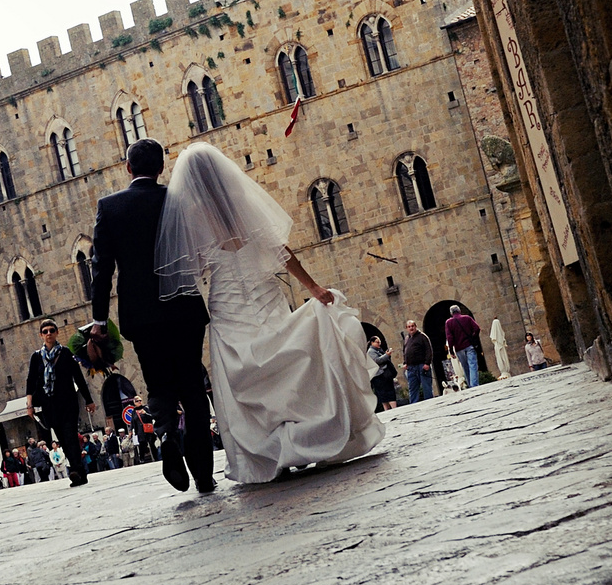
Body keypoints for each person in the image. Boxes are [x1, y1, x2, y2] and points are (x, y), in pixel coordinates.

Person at [148, 141, 386, 484]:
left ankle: (272, 451)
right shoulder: (241, 201)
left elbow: (195, 269)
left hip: (226, 302)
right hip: (264, 292)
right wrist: (313, 288)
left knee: (244, 374)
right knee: (285, 360)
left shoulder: (191, 214)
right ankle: (304, 436)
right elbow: (281, 251)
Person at [89, 137, 217, 493]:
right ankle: (204, 475)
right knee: (192, 386)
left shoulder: (110, 207)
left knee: (157, 383)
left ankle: (166, 439)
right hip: (184, 307)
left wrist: (99, 321)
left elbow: (102, 269)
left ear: (128, 168)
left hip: (141, 314)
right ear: (162, 168)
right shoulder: (179, 200)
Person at [25, 318, 96, 487]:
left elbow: (78, 377)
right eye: (45, 331)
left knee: (71, 436)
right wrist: (30, 404)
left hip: (68, 402)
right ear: (41, 335)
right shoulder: (36, 357)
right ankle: (79, 471)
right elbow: (31, 381)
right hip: (50, 405)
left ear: (57, 333)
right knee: (63, 439)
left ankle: (76, 471)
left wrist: (89, 400)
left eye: (51, 330)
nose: (49, 334)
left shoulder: (65, 353)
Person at [445, 305, 482, 388]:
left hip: (458, 348)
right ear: (459, 311)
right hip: (469, 345)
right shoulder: (467, 318)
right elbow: (477, 328)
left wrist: (451, 350)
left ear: (451, 313)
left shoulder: (449, 322)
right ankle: (474, 385)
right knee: (472, 365)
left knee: (465, 367)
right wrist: (473, 337)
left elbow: (449, 338)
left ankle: (470, 384)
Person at [403, 320, 434, 403]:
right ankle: (414, 404)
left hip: (422, 366)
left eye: (412, 326)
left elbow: (429, 350)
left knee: (426, 387)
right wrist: (405, 363)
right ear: (406, 328)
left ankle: (430, 402)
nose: (411, 328)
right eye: (409, 327)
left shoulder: (422, 336)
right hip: (411, 367)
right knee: (412, 388)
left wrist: (427, 363)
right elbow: (405, 352)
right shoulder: (407, 338)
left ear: (415, 326)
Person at [368, 336, 399, 411]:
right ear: (372, 342)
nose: (379, 344)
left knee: (387, 393)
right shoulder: (371, 352)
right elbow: (377, 360)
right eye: (377, 342)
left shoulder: (378, 350)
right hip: (380, 376)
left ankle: (391, 409)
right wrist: (387, 355)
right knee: (385, 394)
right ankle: (390, 409)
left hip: (383, 376)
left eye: (380, 342)